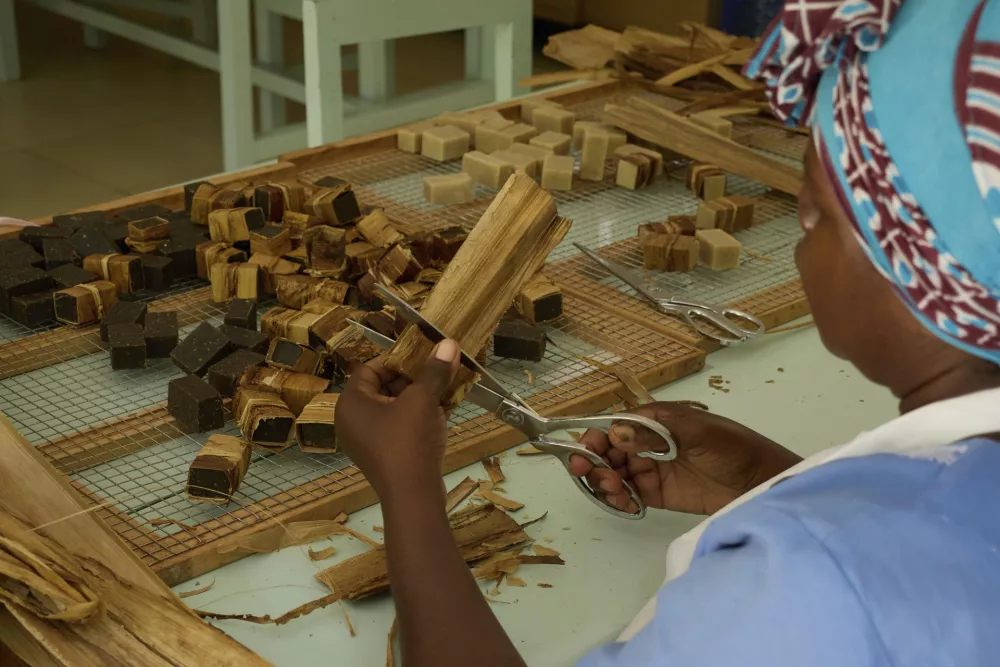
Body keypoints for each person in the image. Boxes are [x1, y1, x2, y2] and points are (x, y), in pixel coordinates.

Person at [334, 0, 1000, 664]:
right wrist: (763, 478)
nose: (799, 221)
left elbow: (838, 583)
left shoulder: (813, 582)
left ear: (926, 270)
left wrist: (407, 488)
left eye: (817, 208)